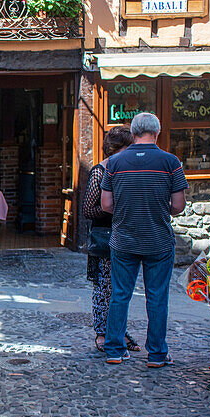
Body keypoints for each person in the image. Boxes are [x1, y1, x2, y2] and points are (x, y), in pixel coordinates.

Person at [101, 111, 188, 367]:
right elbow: (179, 205)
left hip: (124, 239)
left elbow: (106, 204)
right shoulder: (171, 163)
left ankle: (114, 350)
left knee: (119, 294)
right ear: (157, 133)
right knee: (158, 297)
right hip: (158, 240)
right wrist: (160, 209)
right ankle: (157, 354)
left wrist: (127, 209)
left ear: (134, 133)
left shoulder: (115, 163)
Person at [82, 125, 141, 353]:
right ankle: (101, 332)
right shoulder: (100, 171)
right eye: (129, 148)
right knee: (104, 288)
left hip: (125, 236)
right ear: (118, 149)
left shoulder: (128, 170)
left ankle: (117, 331)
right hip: (106, 238)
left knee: (121, 289)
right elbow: (88, 209)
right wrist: (117, 210)